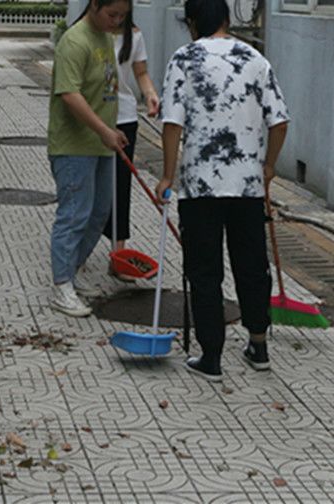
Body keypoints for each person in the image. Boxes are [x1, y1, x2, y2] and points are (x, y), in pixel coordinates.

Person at [156, 0, 289, 381]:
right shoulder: (255, 58)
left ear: (192, 22)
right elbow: (279, 122)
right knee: (251, 265)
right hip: (246, 185)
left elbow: (172, 123)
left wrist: (168, 176)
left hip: (200, 185)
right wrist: (268, 166)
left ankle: (211, 356)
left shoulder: (185, 58)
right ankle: (258, 345)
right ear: (228, 19)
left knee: (204, 269)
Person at [48, 0, 130, 317]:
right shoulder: (75, 41)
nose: (117, 21)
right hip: (73, 146)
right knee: (74, 214)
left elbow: (107, 90)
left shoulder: (106, 38)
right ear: (94, 5)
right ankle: (62, 286)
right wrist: (102, 130)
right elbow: (69, 95)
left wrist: (113, 130)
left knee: (98, 214)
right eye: (112, 14)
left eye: (123, 16)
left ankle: (74, 271)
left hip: (101, 144)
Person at [102, 13, 159, 280]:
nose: (116, 15)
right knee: (88, 188)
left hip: (124, 118)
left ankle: (118, 257)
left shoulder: (134, 35)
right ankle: (75, 257)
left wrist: (150, 94)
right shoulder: (85, 32)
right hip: (93, 119)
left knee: (120, 187)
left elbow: (141, 72)